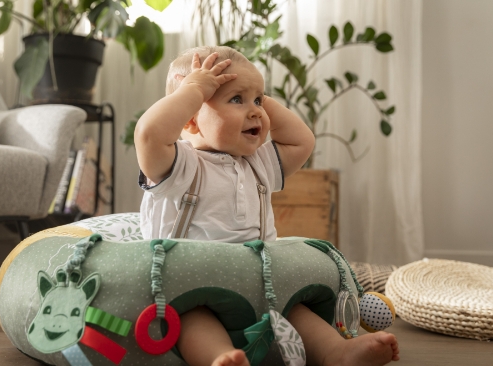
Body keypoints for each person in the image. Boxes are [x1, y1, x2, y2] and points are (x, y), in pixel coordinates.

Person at [135, 46, 400, 366]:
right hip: (194, 283)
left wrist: (254, 92)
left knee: (296, 311)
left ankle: (337, 352)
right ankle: (220, 358)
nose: (256, 111)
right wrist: (194, 88)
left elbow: (303, 141)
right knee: (193, 320)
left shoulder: (258, 162)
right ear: (191, 118)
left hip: (257, 283)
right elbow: (149, 135)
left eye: (259, 101)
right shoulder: (182, 164)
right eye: (236, 99)